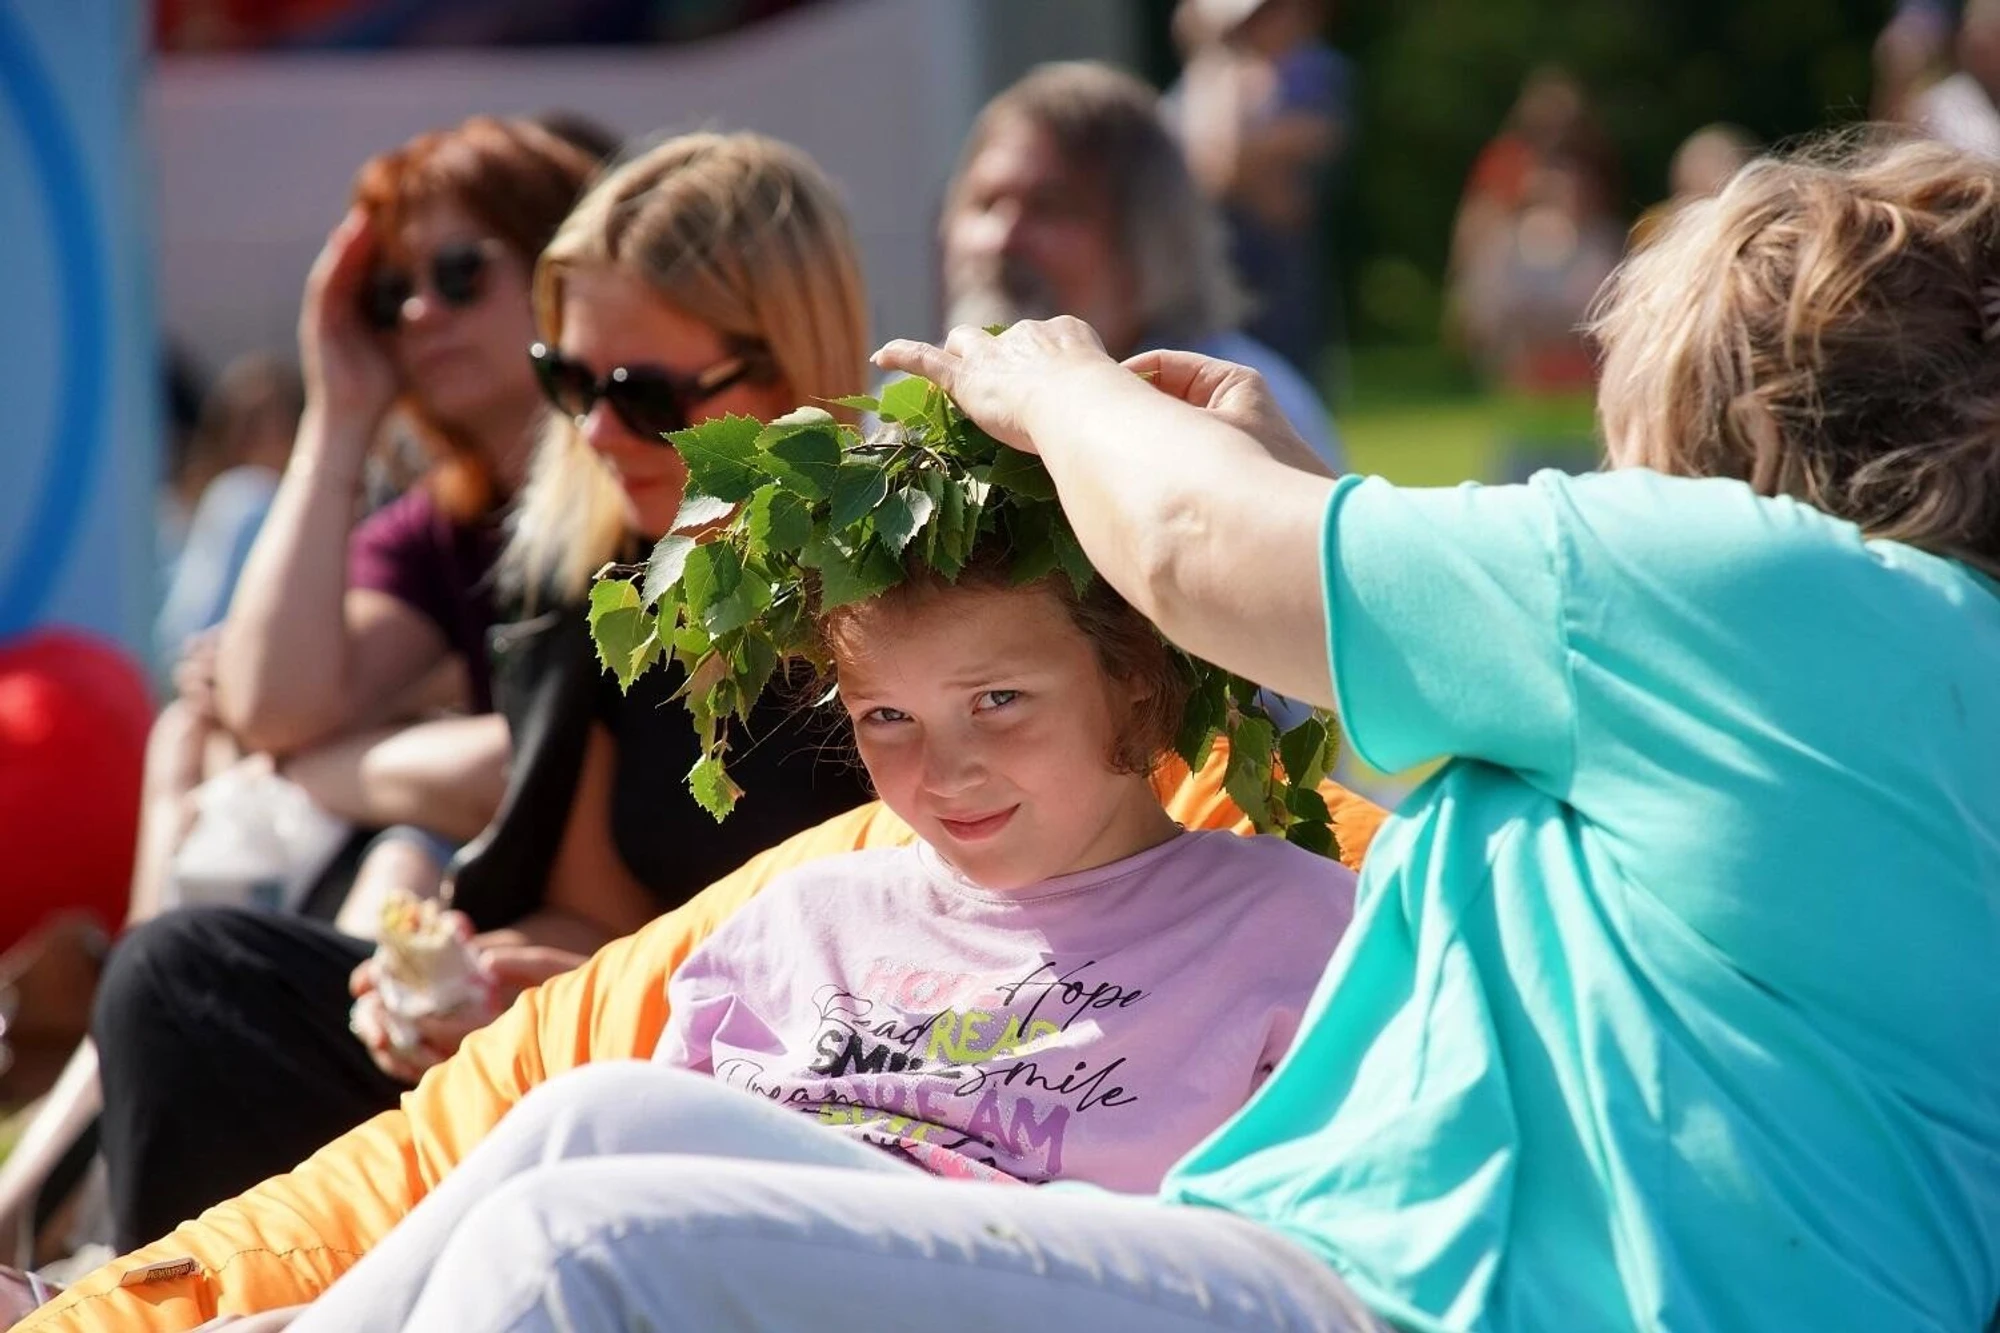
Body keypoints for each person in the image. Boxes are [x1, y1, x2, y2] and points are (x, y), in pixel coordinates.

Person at [50, 129, 1991, 1333]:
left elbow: (1205, 560)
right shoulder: (1900, 681)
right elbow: (1336, 654)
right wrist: (1275, 478)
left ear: (1740, 432)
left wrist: (1038, 378)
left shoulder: (1783, 600)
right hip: (1363, 1269)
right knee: (599, 1113)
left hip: (1392, 1295)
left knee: (580, 1264)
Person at [86, 130, 879, 1253]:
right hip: (587, 1062)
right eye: (568, 380)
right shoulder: (600, 578)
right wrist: (494, 983)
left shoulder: (902, 587)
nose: (596, 431)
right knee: (187, 978)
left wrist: (578, 1001)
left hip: (806, 1100)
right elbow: (592, 913)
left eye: (643, 394)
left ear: (787, 366)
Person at [283, 503, 1359, 1327]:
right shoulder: (798, 918)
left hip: (1069, 1277)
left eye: (997, 700)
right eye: (886, 717)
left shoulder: (1294, 921)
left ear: (1131, 682)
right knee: (589, 1130)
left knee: (572, 1206)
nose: (944, 770)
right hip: (735, 1287)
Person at [941, 60, 1343, 471]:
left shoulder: (1244, 416)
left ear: (1147, 240)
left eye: (1050, 208)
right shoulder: (920, 415)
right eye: (984, 204)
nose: (1000, 240)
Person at [1165, 0, 1351, 378]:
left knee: (1289, 378)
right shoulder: (1206, 81)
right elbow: (1211, 168)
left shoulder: (1313, 68)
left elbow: (1317, 138)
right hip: (1219, 254)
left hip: (1279, 254)